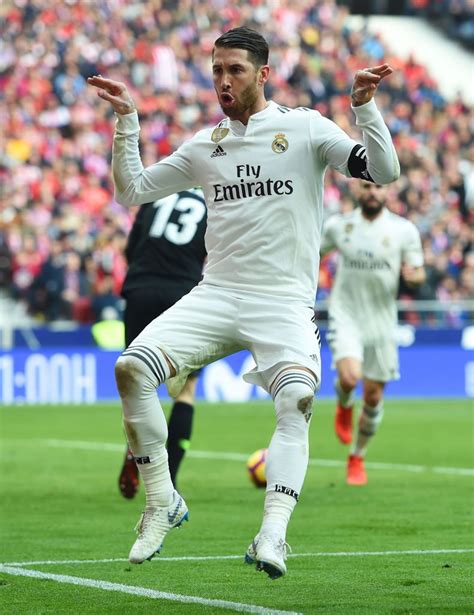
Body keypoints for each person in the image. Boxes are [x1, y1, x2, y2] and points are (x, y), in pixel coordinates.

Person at [88, 26, 400, 579]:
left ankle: (272, 535)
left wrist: (364, 109)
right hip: (217, 293)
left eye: (234, 69)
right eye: (216, 70)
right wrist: (127, 123)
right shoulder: (205, 145)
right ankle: (162, 501)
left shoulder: (303, 128)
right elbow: (131, 190)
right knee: (131, 368)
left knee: (297, 402)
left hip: (283, 302)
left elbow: (383, 171)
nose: (222, 80)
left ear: (263, 73)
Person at [321, 182, 425, 486]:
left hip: (381, 322)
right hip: (346, 313)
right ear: (358, 190)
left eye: (378, 187)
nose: (372, 193)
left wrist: (413, 277)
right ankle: (343, 404)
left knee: (374, 395)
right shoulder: (340, 226)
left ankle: (357, 456)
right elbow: (312, 252)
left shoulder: (403, 230)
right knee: (351, 377)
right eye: (367, 186)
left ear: (386, 192)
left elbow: (418, 273)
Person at [118, 190, 207, 498]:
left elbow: (131, 247)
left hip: (140, 289)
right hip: (183, 295)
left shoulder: (157, 197)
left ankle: (136, 450)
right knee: (186, 391)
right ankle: (170, 480)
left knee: (139, 384)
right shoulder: (214, 199)